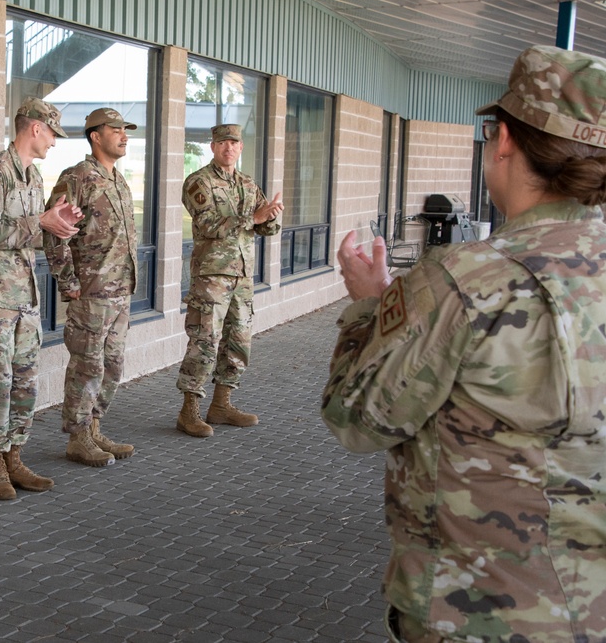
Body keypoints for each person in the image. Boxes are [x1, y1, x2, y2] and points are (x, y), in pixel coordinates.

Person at [321, 45, 606, 643]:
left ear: (502, 140)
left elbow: (358, 420)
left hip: (479, 611)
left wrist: (370, 306)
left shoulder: (463, 278)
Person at [0, 96, 82, 499]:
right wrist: (40, 222)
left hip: (25, 297)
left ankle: (15, 457)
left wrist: (57, 226)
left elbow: (31, 233)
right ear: (35, 128)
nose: (53, 142)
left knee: (25, 383)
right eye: (52, 133)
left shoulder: (33, 178)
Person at [44, 108, 139, 468]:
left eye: (125, 130)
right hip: (91, 293)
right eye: (116, 129)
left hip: (119, 292)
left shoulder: (118, 180)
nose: (124, 135)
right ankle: (78, 437)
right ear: (95, 136)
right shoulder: (77, 177)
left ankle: (95, 427)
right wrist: (68, 284)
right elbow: (54, 232)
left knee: (112, 367)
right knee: (88, 366)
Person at [176, 124, 283, 438]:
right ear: (213, 146)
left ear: (241, 148)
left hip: (242, 279)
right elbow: (207, 223)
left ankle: (222, 405)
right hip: (212, 278)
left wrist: (273, 215)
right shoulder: (199, 181)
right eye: (223, 142)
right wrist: (254, 218)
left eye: (234, 143)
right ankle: (188, 412)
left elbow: (266, 229)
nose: (229, 148)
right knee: (204, 342)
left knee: (238, 343)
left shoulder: (247, 183)